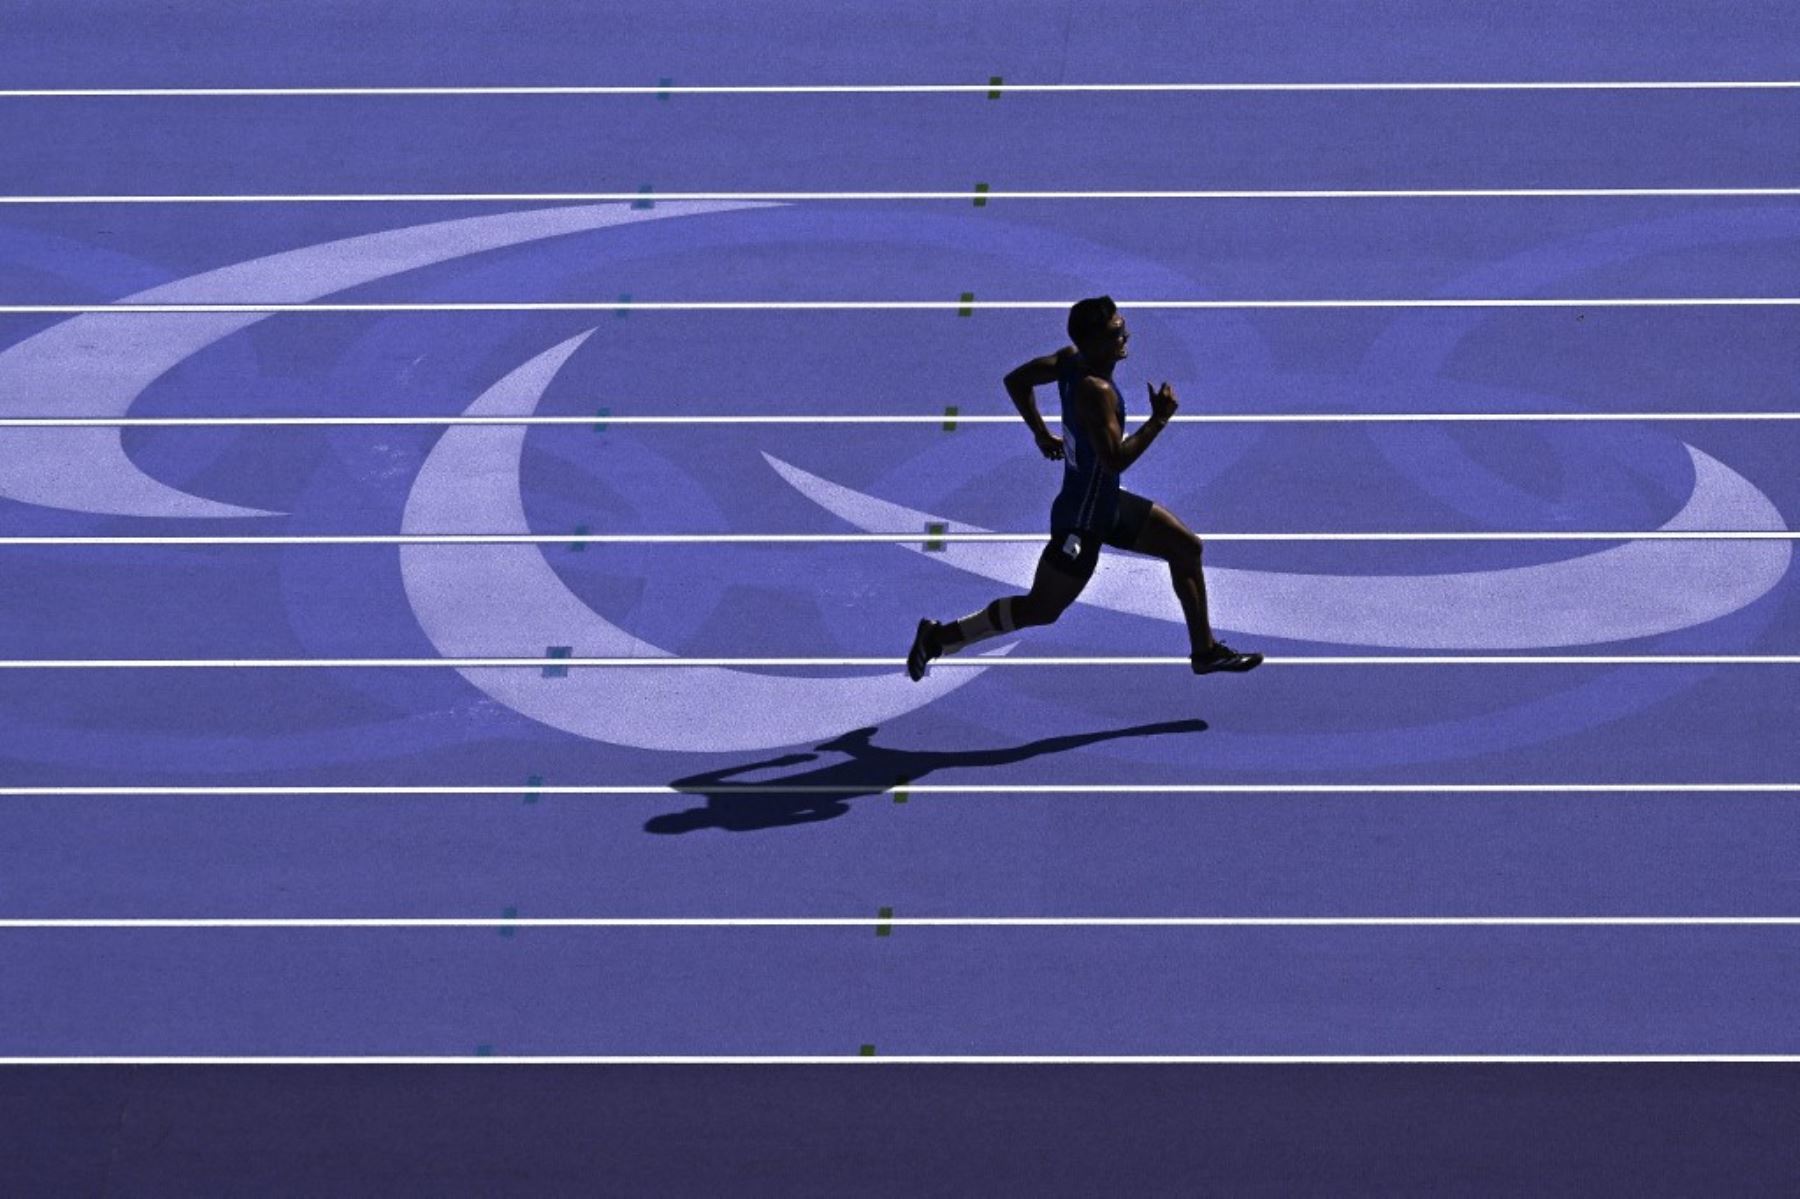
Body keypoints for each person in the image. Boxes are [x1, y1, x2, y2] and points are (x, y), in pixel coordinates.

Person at [907, 295, 1262, 680]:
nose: (1125, 334)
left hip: (1102, 502)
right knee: (1040, 610)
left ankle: (1204, 651)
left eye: (1123, 324)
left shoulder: (1068, 360)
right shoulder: (1096, 391)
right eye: (1115, 332)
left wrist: (1041, 434)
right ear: (1092, 342)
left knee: (1186, 548)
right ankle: (939, 637)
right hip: (1082, 521)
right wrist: (1158, 420)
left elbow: (1018, 380)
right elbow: (1115, 460)